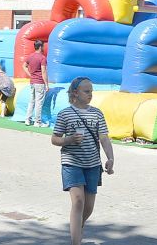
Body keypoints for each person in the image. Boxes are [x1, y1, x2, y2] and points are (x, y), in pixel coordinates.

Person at [51, 77, 115, 245]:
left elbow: (104, 138)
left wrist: (110, 158)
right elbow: (55, 139)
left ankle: (78, 226)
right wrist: (69, 139)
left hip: (93, 164)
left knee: (88, 207)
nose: (90, 95)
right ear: (75, 93)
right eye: (87, 91)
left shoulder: (97, 113)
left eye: (91, 91)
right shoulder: (65, 114)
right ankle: (76, 242)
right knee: (78, 202)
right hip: (71, 163)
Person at [23, 40, 49, 127]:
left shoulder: (30, 56)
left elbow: (24, 66)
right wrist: (47, 84)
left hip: (32, 82)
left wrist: (30, 75)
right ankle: (37, 122)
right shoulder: (42, 58)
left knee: (31, 101)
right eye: (43, 46)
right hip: (39, 82)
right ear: (40, 47)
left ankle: (27, 119)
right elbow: (44, 72)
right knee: (39, 103)